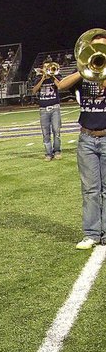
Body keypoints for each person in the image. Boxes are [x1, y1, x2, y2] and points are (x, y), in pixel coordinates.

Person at [58, 32, 106, 249]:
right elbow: (61, 85)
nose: (98, 53)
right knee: (90, 189)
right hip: (86, 138)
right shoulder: (83, 76)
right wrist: (84, 68)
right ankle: (92, 233)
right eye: (94, 48)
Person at [32, 66, 62, 161]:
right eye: (45, 67)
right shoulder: (38, 79)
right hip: (43, 109)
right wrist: (42, 78)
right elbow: (34, 91)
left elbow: (60, 86)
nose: (47, 69)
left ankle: (57, 151)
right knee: (45, 133)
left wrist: (52, 76)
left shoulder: (56, 77)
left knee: (56, 131)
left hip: (55, 108)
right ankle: (48, 153)